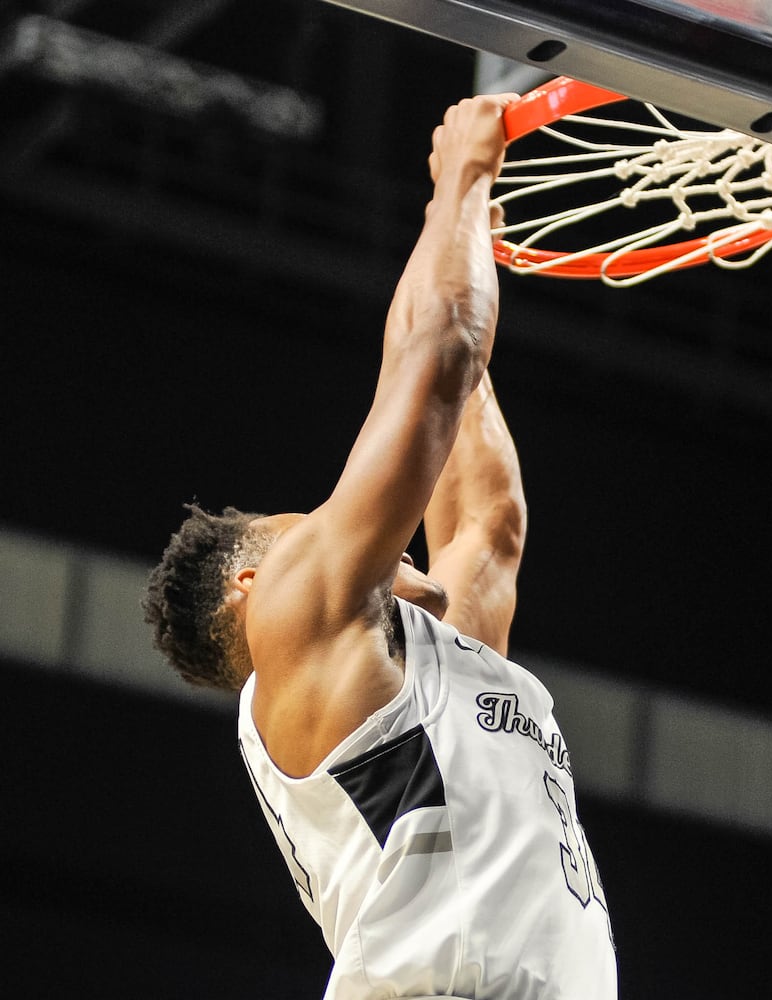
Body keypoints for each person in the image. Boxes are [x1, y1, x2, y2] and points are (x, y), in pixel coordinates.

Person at [141, 95, 616, 1000]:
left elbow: (485, 518)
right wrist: (460, 180)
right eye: (306, 527)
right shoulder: (297, 625)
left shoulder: (410, 680)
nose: (345, 529)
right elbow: (436, 360)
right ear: (253, 583)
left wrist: (457, 233)